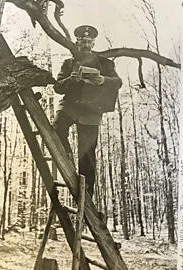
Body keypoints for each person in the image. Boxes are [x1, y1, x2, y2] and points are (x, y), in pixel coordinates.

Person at [53, 25, 123, 196]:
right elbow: (58, 87)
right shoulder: (69, 63)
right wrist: (71, 79)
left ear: (93, 43)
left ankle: (87, 195)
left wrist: (103, 80)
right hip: (70, 107)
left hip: (91, 112)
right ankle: (67, 158)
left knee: (87, 156)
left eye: (88, 42)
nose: (85, 45)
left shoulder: (105, 63)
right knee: (56, 128)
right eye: (82, 42)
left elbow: (118, 82)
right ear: (77, 42)